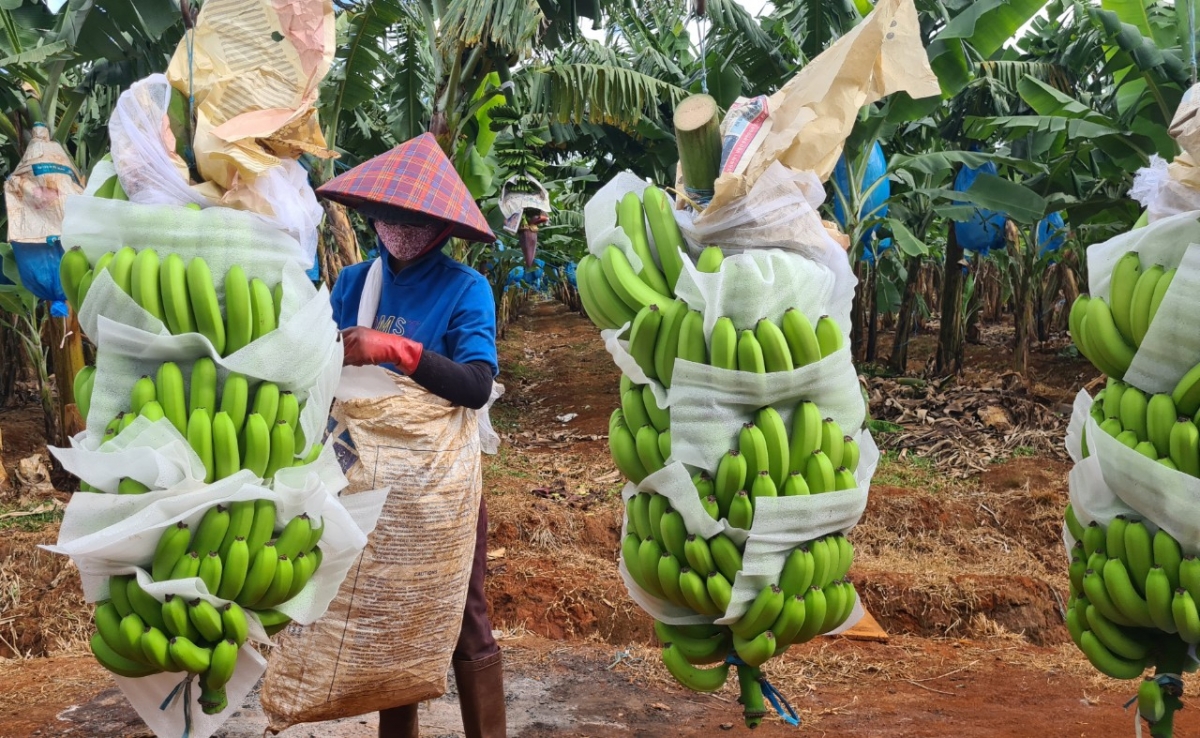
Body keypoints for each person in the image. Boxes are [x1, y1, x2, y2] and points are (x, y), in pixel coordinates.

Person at [317, 133, 506, 738]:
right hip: (366, 478)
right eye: (388, 215)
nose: (398, 228)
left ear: (441, 226)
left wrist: (394, 349)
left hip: (440, 485)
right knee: (391, 615)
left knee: (465, 616)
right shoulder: (352, 285)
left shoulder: (464, 289)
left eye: (413, 219)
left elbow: (475, 385)